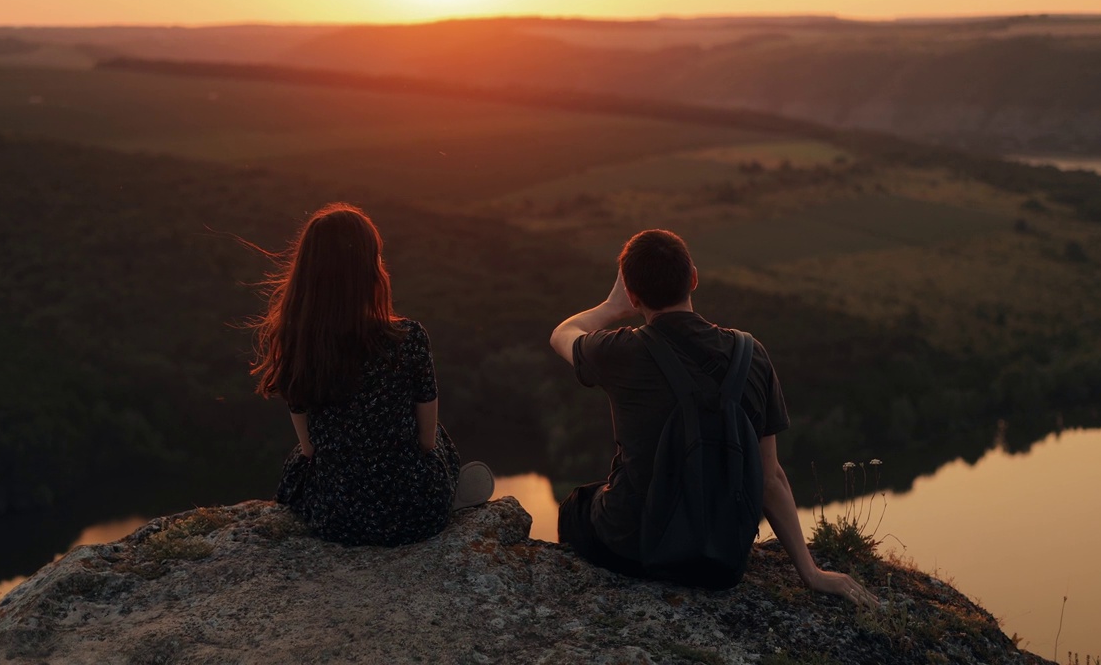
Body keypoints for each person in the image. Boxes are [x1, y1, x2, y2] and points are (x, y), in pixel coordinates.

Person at [548, 229, 878, 606]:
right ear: (693, 278)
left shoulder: (621, 350)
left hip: (633, 547)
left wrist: (612, 308)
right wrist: (811, 573)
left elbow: (563, 334)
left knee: (577, 505)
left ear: (634, 295)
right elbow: (770, 479)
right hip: (722, 562)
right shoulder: (751, 354)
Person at [250, 203, 494, 546]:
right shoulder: (409, 338)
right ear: (370, 269)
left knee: (302, 461)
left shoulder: (298, 343)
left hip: (336, 519)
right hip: (413, 516)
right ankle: (446, 499)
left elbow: (309, 449)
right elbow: (424, 442)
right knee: (436, 435)